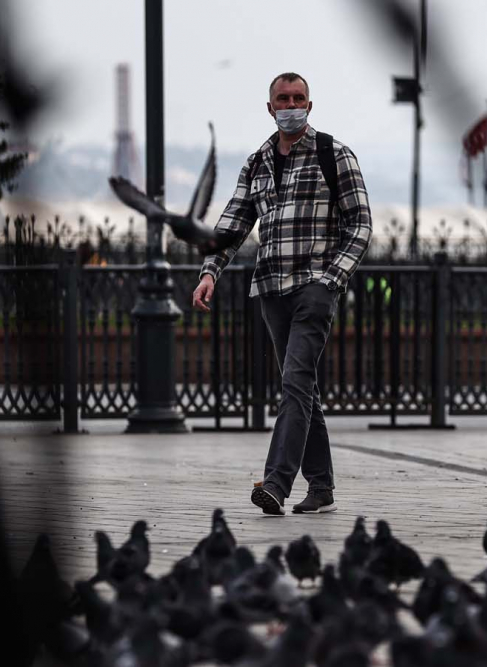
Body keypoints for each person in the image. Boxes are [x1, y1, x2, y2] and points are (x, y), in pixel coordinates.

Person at [193, 72, 372, 516]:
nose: (291, 105)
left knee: (293, 383)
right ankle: (323, 486)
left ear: (310, 105)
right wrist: (209, 272)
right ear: (270, 107)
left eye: (299, 98)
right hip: (271, 288)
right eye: (283, 99)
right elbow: (233, 223)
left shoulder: (335, 154)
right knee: (302, 389)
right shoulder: (257, 163)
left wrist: (332, 278)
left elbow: (360, 224)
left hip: (314, 286)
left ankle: (275, 484)